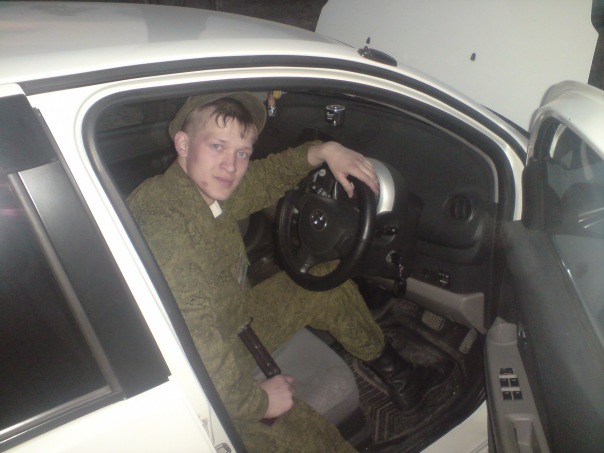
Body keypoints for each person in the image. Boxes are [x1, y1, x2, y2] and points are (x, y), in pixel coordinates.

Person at [128, 92, 447, 452]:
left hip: (233, 324)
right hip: (193, 384)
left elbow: (263, 180)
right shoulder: (167, 228)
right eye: (217, 146)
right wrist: (260, 402)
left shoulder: (194, 189)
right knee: (313, 441)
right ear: (184, 144)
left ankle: (401, 379)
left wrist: (322, 151)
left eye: (242, 152)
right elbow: (195, 345)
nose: (231, 166)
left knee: (324, 284)